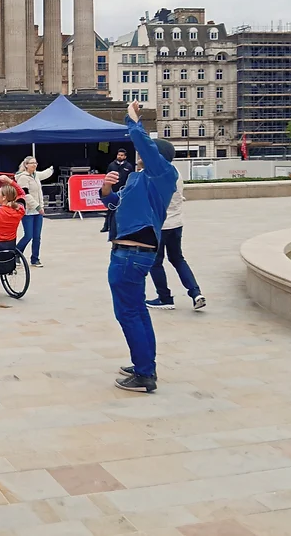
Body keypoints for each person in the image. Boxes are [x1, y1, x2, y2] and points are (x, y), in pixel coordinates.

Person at [100, 100, 179, 394]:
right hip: (127, 253)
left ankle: (145, 374)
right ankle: (145, 363)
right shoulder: (138, 178)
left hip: (131, 255)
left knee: (128, 313)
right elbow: (115, 206)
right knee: (138, 311)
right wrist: (106, 189)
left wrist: (132, 119)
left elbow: (143, 143)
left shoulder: (163, 174)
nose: (138, 153)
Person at [146, 172, 206, 311]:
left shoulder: (151, 175)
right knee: (178, 258)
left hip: (159, 225)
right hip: (176, 223)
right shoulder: (176, 173)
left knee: (155, 262)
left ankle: (164, 298)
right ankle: (195, 293)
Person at [15, 157, 54, 267]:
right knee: (28, 235)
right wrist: (37, 207)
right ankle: (16, 253)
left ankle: (35, 259)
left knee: (37, 236)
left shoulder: (35, 175)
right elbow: (25, 195)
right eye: (32, 163)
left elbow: (44, 174)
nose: (34, 165)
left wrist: (51, 169)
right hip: (28, 210)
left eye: (35, 163)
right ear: (26, 165)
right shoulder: (23, 178)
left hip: (38, 211)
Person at [101, 148, 133, 233]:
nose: (120, 156)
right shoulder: (112, 165)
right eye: (119, 155)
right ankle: (106, 226)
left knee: (124, 209)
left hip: (124, 191)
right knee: (110, 209)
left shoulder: (128, 166)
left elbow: (131, 178)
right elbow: (107, 176)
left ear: (125, 156)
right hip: (113, 190)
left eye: (122, 155)